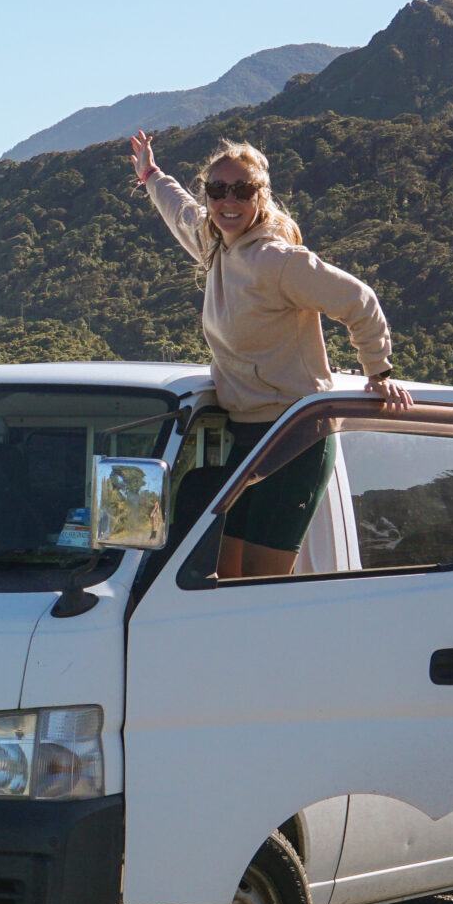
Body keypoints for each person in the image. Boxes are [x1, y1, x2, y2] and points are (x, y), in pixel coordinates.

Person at [131, 130, 412, 579]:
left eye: (242, 191)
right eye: (218, 190)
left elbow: (360, 301)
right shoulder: (216, 245)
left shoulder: (277, 260)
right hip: (245, 438)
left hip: (296, 434)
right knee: (223, 577)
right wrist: (150, 174)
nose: (228, 201)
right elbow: (182, 213)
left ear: (261, 196)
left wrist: (379, 372)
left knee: (262, 584)